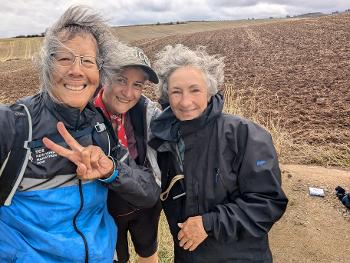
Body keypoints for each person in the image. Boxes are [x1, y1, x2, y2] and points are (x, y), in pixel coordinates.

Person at [0, 6, 159, 263]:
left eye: (87, 61)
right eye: (64, 58)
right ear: (46, 66)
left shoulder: (100, 128)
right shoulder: (14, 125)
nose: (76, 70)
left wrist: (110, 170)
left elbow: (149, 191)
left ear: (99, 73)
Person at [149, 44, 288, 262]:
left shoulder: (245, 135)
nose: (185, 102)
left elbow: (268, 203)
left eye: (195, 90)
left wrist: (209, 224)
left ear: (210, 90)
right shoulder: (164, 140)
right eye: (177, 92)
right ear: (167, 95)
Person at [93, 44, 162, 263]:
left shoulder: (147, 112)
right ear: (105, 78)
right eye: (121, 80)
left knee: (148, 252)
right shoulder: (85, 116)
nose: (128, 93)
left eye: (137, 85)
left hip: (143, 200)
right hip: (105, 208)